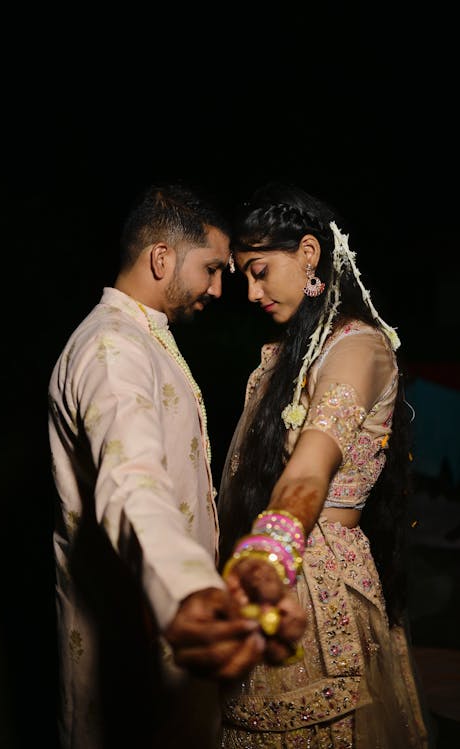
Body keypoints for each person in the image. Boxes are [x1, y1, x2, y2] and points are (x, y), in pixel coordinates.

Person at [47, 181, 307, 749]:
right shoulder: (112, 350)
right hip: (133, 642)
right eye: (212, 268)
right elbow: (130, 481)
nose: (219, 288)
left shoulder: (142, 338)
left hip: (162, 644)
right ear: (161, 258)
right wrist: (189, 591)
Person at [217, 181, 432, 747]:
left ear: (308, 254)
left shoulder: (356, 348)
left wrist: (269, 552)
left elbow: (311, 469)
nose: (249, 290)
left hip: (315, 592)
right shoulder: (286, 357)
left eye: (259, 270)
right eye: (243, 275)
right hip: (273, 585)